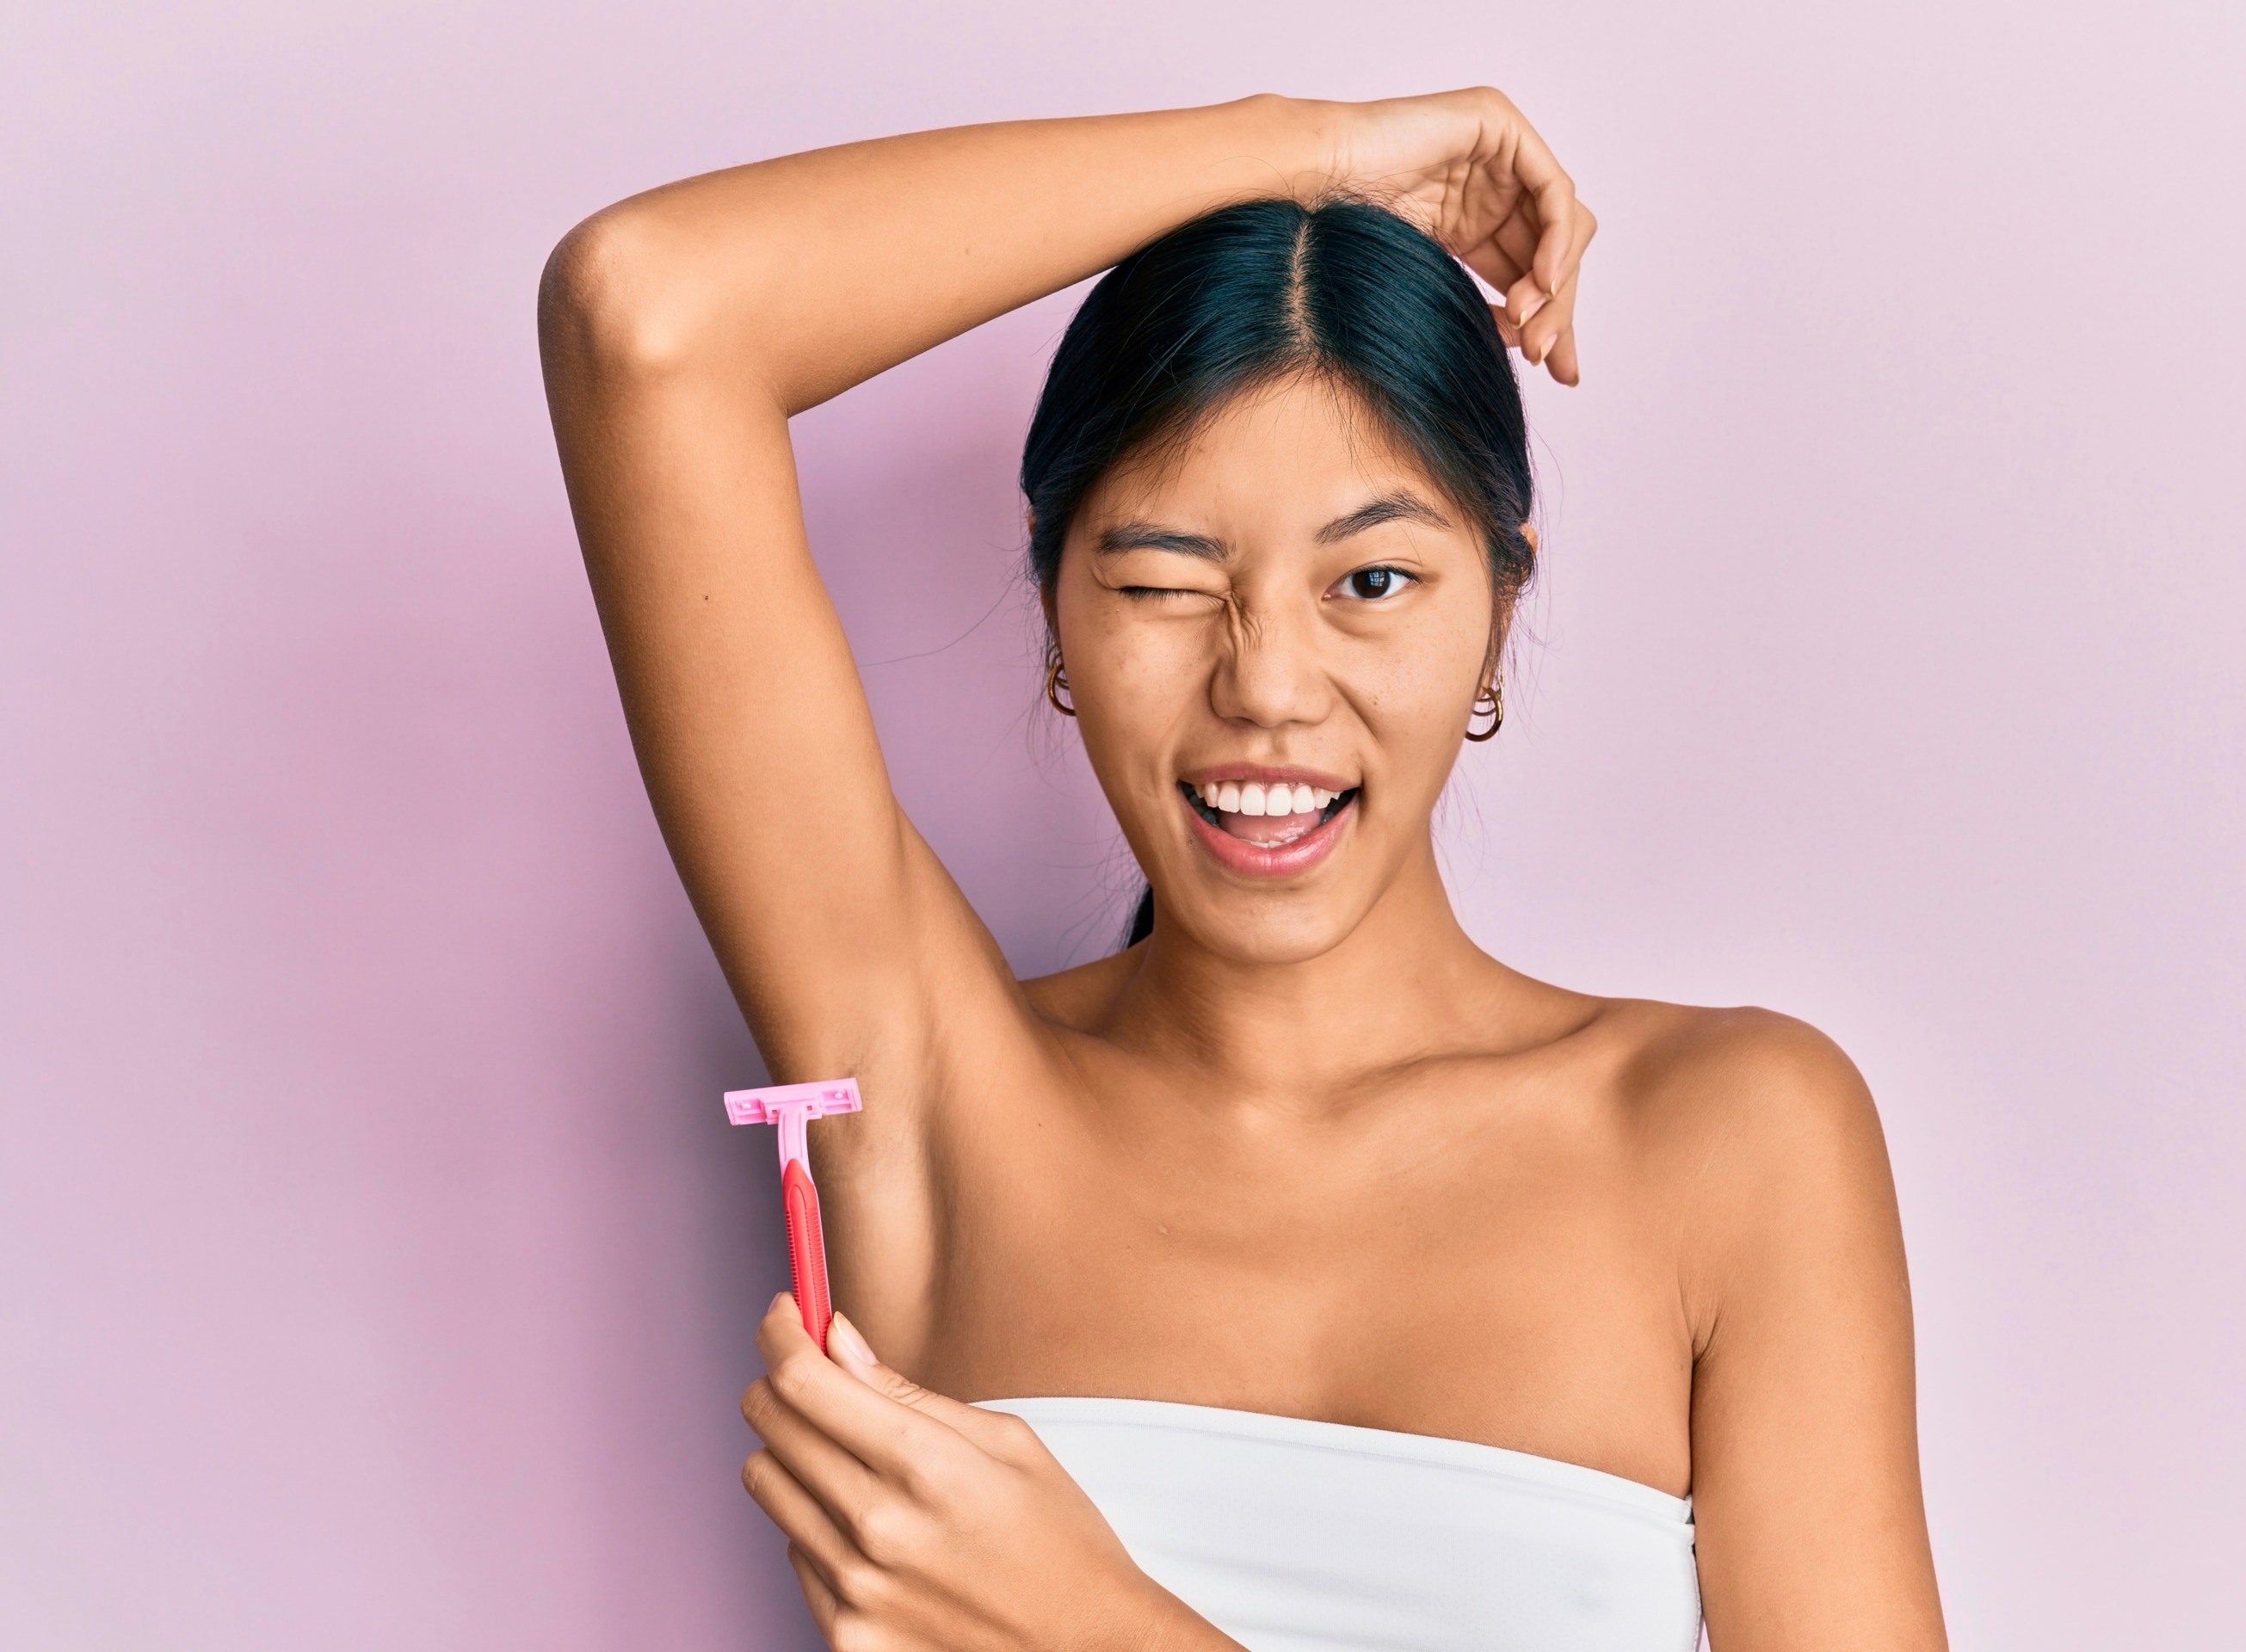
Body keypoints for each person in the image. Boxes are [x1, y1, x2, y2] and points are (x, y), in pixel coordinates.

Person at [539, 89, 1947, 1651]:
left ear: (1498, 605)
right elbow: (644, 314)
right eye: (1159, 580)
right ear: (1057, 610)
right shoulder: (935, 1090)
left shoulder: (1734, 1140)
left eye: (1374, 579)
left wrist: (1098, 1625)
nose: (1267, 683)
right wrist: (1319, 152)